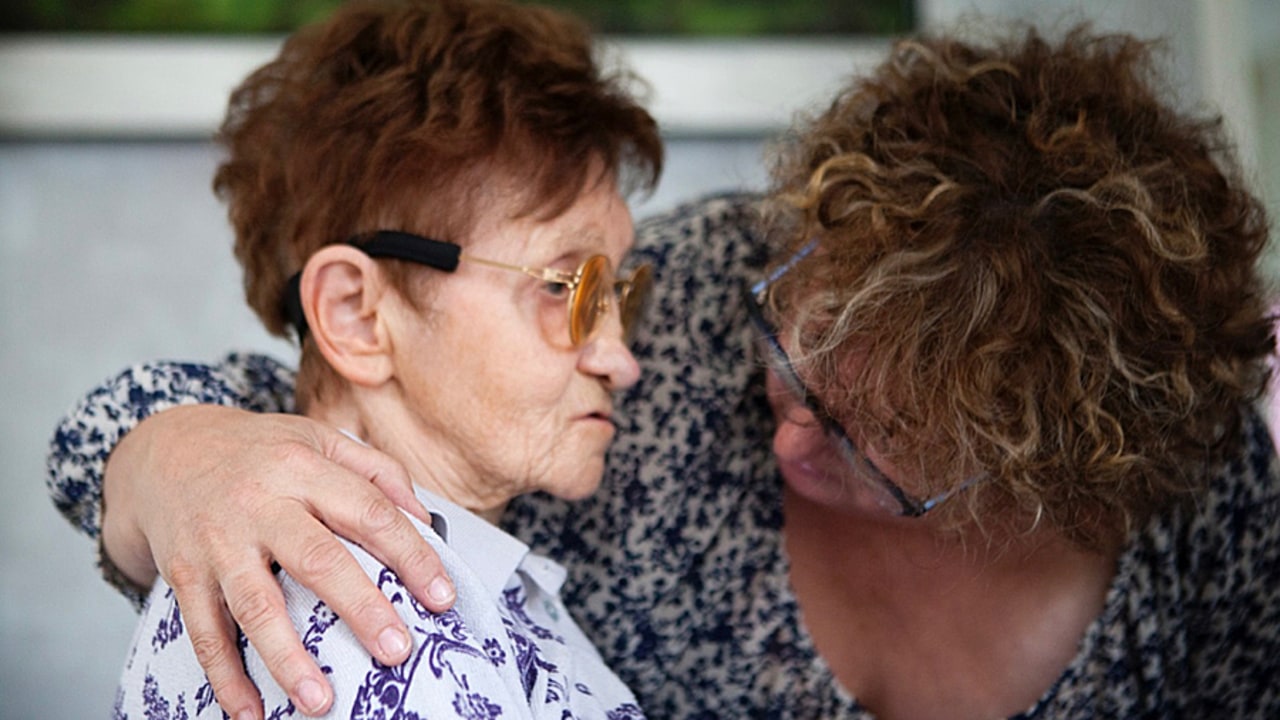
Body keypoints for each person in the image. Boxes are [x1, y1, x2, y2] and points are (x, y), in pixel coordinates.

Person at [51, 23, 1280, 720]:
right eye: (790, 359)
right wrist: (160, 453)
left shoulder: (1203, 512)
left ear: (1046, 483)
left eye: (878, 441)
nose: (631, 358)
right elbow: (326, 403)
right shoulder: (367, 630)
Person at [103, 0, 663, 717]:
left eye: (617, 290)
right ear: (357, 316)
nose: (620, 360)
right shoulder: (365, 629)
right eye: (567, 286)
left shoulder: (440, 580)